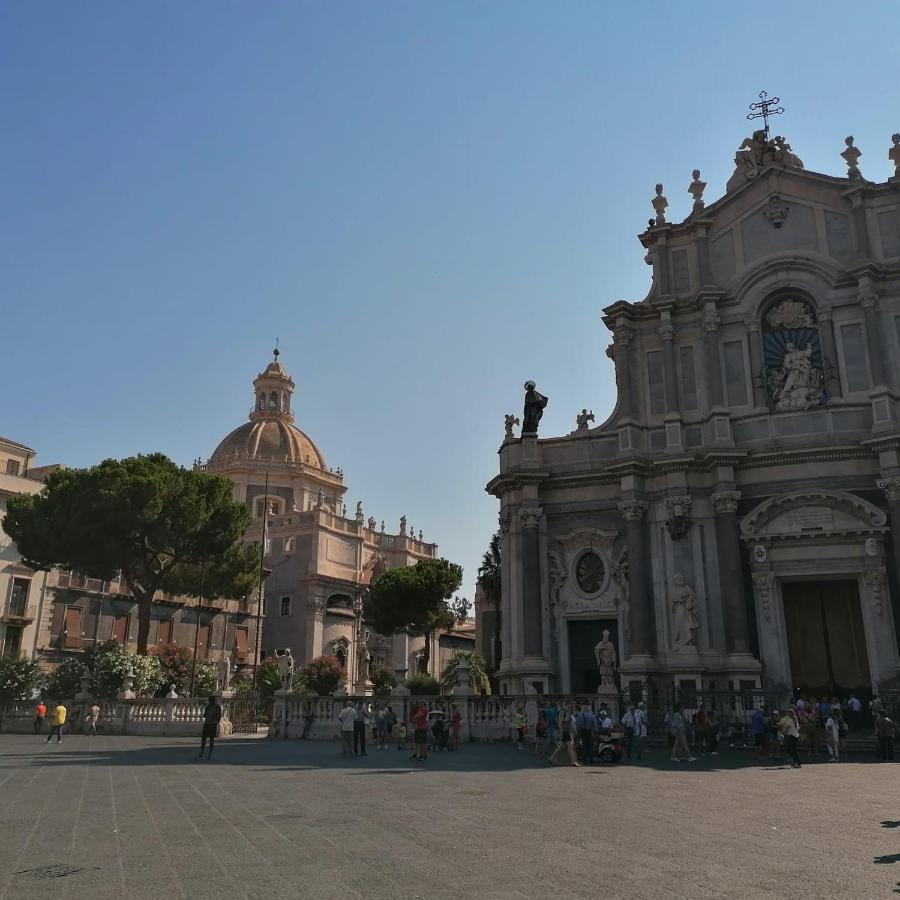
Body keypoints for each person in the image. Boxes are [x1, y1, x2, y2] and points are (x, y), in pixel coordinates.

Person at [196, 696, 221, 760]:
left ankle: (205, 753)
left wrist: (211, 717)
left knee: (208, 739)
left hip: (210, 723)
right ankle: (205, 753)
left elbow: (218, 716)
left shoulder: (213, 707)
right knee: (207, 739)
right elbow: (206, 715)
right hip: (210, 723)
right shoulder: (211, 706)